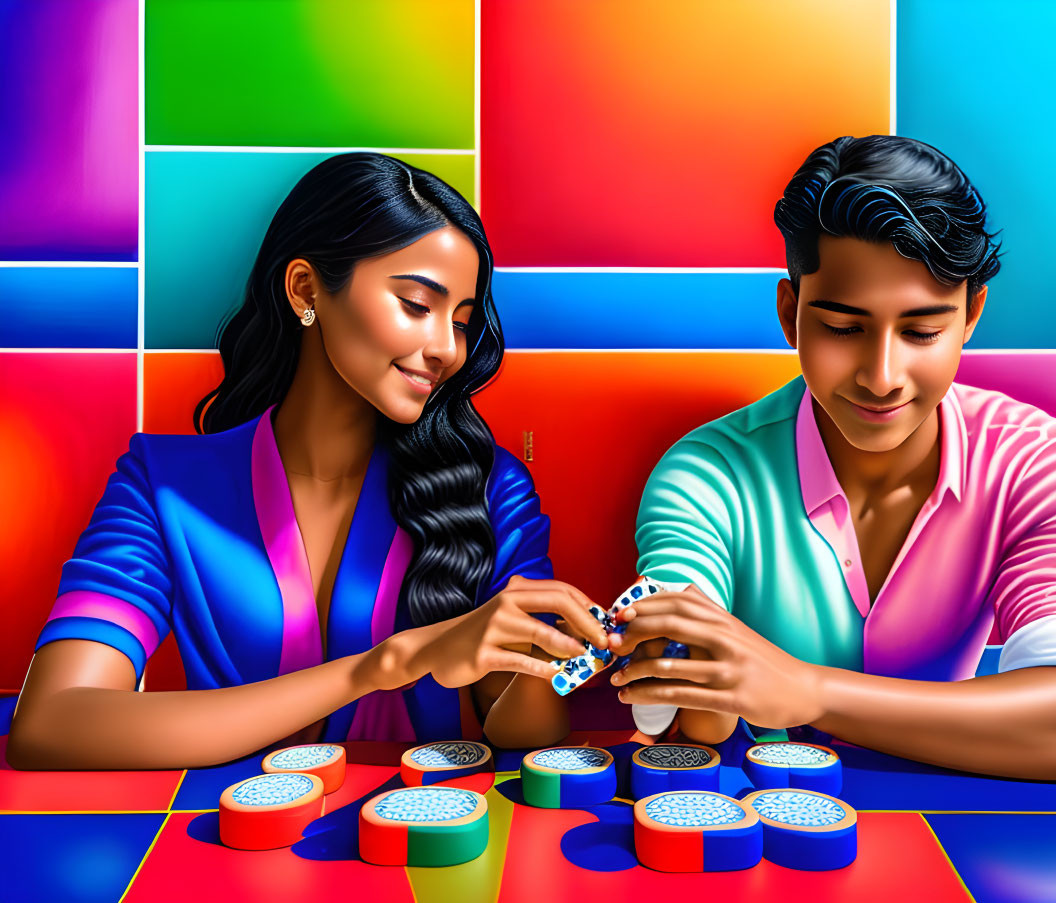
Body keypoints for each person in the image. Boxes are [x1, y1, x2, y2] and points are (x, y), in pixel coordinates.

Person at [8, 153, 607, 770]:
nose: (445, 349)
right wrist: (383, 667)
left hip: (417, 828)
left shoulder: (490, 488)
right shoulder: (164, 486)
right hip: (215, 838)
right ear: (305, 289)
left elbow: (525, 734)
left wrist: (544, 659)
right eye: (416, 305)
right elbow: (54, 722)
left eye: (460, 321)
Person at [612, 135, 1056, 786]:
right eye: (843, 328)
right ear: (790, 315)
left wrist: (809, 690)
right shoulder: (706, 473)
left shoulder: (1035, 466)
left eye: (922, 330)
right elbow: (677, 664)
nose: (881, 376)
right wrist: (673, 654)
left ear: (970, 313)